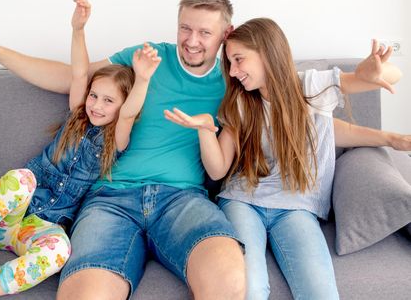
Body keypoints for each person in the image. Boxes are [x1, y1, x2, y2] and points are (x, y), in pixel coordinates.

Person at [0, 0, 403, 299]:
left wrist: (377, 92)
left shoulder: (238, 79)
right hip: (109, 200)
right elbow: (69, 79)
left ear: (226, 35)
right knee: (84, 292)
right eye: (185, 27)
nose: (192, 40)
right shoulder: (145, 57)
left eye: (204, 32)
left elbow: (311, 107)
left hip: (184, 201)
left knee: (227, 271)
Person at [0, 0, 161, 299]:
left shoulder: (117, 140)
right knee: (20, 178)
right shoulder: (78, 114)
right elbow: (78, 73)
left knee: (61, 249)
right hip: (5, 222)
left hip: (37, 229)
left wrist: (144, 78)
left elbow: (129, 113)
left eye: (108, 101)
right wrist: (78, 29)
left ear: (123, 106)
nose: (97, 105)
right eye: (94, 96)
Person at [164, 17, 411, 300]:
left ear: (266, 52)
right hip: (243, 201)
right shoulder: (240, 102)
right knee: (251, 289)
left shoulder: (311, 86)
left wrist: (368, 77)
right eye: (229, 63)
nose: (233, 72)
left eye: (239, 60)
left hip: (297, 206)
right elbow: (218, 170)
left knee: (321, 293)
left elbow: (391, 77)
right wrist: (206, 130)